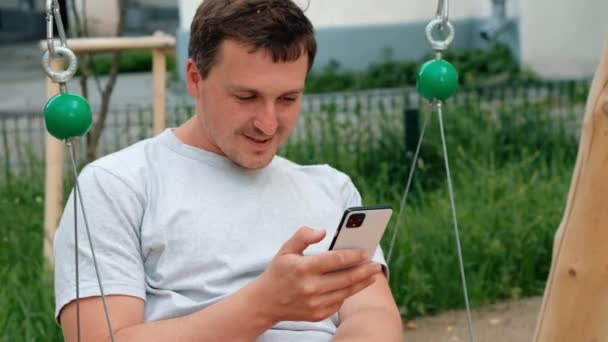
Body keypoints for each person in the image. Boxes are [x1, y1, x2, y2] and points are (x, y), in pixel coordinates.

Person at [54, 0, 403, 340]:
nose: (268, 124)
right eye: (246, 97)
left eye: (288, 99)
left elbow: (373, 313)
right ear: (194, 78)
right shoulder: (118, 186)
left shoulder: (331, 186)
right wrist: (264, 305)